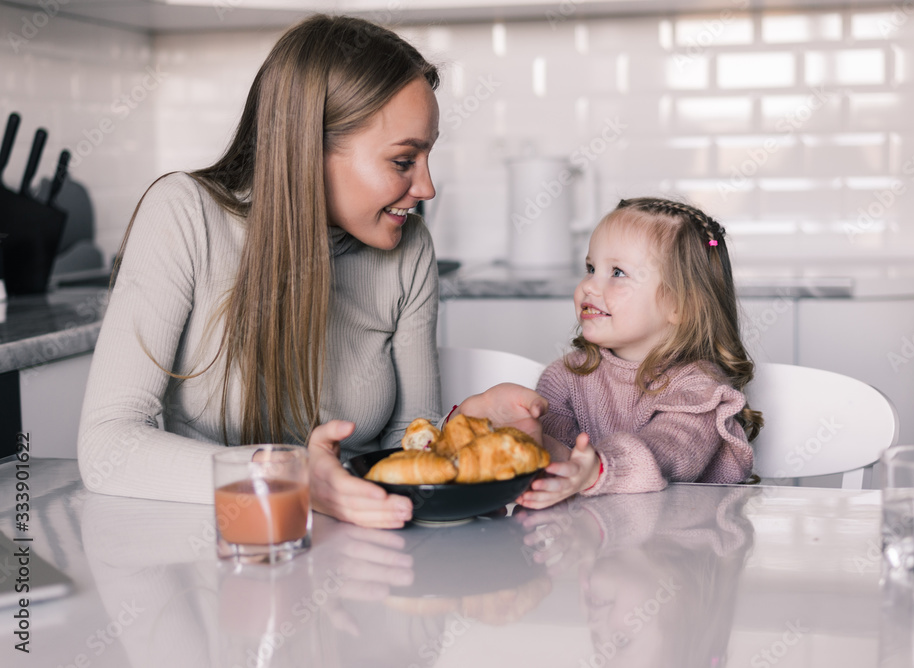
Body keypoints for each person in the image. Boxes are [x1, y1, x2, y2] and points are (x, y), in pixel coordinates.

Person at [77, 14, 545, 529]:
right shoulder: (183, 216)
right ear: (309, 150)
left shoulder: (409, 249)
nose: (427, 187)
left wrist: (468, 433)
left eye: (427, 156)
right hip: (217, 556)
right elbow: (108, 444)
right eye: (402, 160)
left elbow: (406, 446)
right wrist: (290, 478)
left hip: (363, 556)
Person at [516, 197, 762, 510]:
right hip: (595, 540)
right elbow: (555, 460)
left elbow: (671, 450)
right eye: (591, 268)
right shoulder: (563, 378)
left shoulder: (699, 389)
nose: (589, 286)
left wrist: (601, 468)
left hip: (679, 546)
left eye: (617, 272)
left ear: (678, 305)